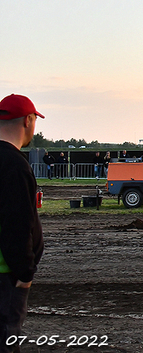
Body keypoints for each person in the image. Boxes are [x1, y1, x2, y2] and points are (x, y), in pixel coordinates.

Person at [0, 94, 45, 351]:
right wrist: (25, 274)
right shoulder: (15, 165)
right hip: (6, 275)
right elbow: (17, 224)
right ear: (28, 120)